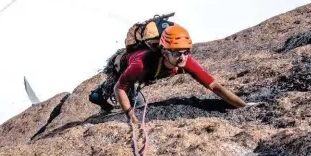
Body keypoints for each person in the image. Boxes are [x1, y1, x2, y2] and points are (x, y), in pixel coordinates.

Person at [90, 23, 247, 121]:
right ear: (165, 53)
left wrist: (244, 106)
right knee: (130, 101)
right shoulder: (140, 65)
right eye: (178, 53)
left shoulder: (185, 61)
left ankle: (109, 101)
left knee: (136, 101)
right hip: (123, 68)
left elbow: (214, 87)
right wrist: (132, 118)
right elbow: (120, 88)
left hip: (144, 74)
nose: (183, 57)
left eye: (187, 51)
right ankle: (101, 100)